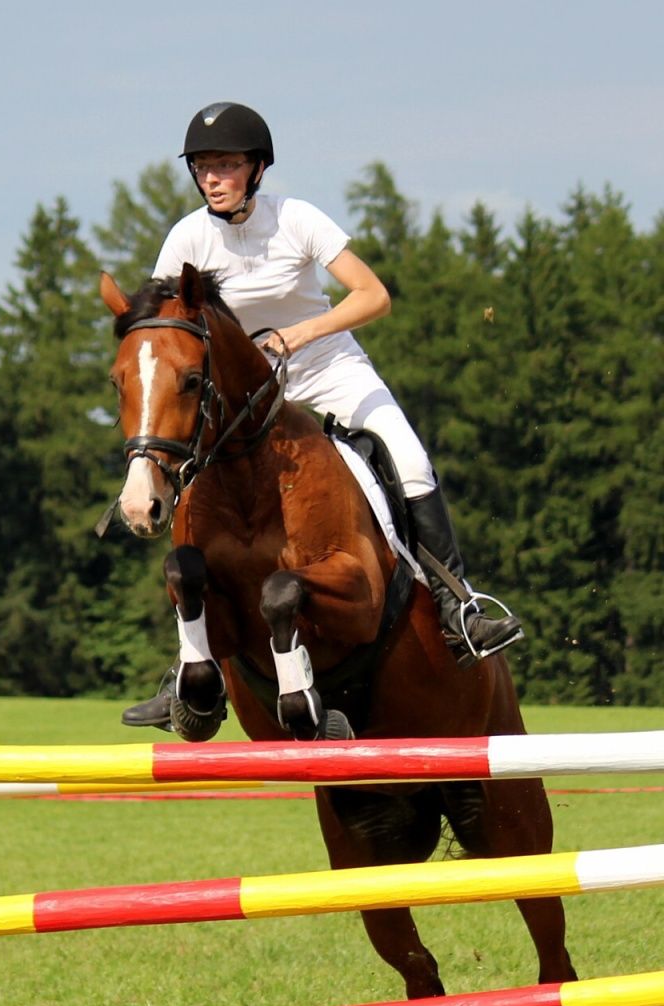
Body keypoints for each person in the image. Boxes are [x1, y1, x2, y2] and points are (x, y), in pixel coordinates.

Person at [123, 101, 521, 728]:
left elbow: (374, 296)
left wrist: (300, 334)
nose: (212, 178)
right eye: (203, 167)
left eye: (226, 165)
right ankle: (187, 667)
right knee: (188, 495)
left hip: (328, 372)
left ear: (257, 168)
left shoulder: (298, 219)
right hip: (245, 401)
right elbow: (169, 324)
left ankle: (458, 607)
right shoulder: (186, 237)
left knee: (409, 458)